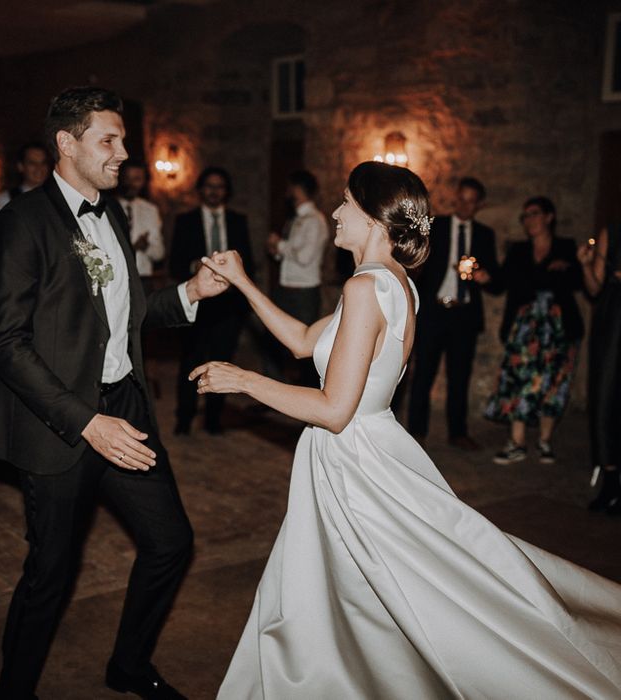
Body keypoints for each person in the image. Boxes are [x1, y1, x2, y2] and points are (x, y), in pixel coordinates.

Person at [191, 162, 621, 699]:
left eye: (346, 202)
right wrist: (243, 284)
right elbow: (304, 340)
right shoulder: (396, 282)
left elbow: (334, 409)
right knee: (385, 589)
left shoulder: (365, 288)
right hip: (374, 445)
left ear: (372, 218)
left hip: (352, 461)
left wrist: (245, 380)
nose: (335, 212)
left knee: (356, 592)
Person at [0, 86, 228, 700]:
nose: (123, 153)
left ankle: (127, 664)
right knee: (50, 574)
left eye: (122, 140)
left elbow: (127, 316)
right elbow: (8, 344)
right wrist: (86, 422)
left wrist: (191, 294)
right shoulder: (20, 222)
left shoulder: (113, 212)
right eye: (108, 140)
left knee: (171, 543)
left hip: (126, 407)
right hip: (62, 423)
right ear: (67, 144)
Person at [485, 197, 583, 465]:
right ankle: (516, 443)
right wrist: (483, 277)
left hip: (558, 327)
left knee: (554, 380)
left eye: (534, 213)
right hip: (525, 326)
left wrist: (571, 267)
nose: (528, 220)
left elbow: (577, 282)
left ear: (549, 216)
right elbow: (502, 284)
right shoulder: (518, 250)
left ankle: (545, 440)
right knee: (519, 377)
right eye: (525, 215)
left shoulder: (566, 247)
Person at [407, 176, 500, 450]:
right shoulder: (436, 226)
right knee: (423, 374)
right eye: (461, 199)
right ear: (455, 198)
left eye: (471, 201)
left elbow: (497, 279)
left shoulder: (485, 235)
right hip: (434, 311)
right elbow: (415, 261)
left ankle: (458, 432)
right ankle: (416, 433)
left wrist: (486, 277)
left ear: (479, 204)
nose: (464, 205)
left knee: (460, 377)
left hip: (464, 314)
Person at [169, 167, 254, 435]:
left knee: (222, 362)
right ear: (200, 190)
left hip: (228, 306)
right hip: (196, 303)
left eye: (219, 186)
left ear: (226, 191)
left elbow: (248, 262)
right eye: (209, 186)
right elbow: (175, 264)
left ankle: (213, 420)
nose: (214, 191)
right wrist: (196, 266)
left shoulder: (238, 221)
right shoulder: (185, 221)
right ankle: (184, 419)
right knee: (190, 362)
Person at [265, 170, 328, 386]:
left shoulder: (315, 221)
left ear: (299, 189)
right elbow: (285, 256)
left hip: (304, 292)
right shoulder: (294, 219)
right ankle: (272, 392)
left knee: (306, 347)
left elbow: (303, 256)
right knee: (273, 339)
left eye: (290, 187)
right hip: (285, 287)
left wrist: (279, 244)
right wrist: (276, 249)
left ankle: (309, 394)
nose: (287, 192)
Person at [579, 226, 621, 514]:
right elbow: (595, 288)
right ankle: (610, 479)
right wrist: (585, 263)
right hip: (615, 317)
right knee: (605, 394)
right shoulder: (614, 231)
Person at [116, 160, 165, 291]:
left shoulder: (150, 210)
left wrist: (146, 246)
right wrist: (131, 247)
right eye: (127, 178)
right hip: (116, 277)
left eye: (137, 179)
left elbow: (159, 253)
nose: (131, 184)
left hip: (143, 279)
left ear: (144, 182)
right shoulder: (108, 207)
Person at [0, 142, 51, 218]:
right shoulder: (5, 199)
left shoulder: (55, 197)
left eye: (43, 163)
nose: (39, 168)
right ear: (21, 166)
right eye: (32, 163)